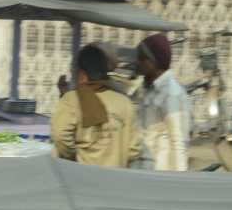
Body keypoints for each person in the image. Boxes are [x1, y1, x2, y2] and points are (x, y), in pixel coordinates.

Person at [50, 45, 139, 168]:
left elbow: (60, 135)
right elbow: (134, 151)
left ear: (81, 74)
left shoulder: (72, 99)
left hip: (82, 179)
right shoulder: (125, 103)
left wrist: (70, 157)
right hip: (116, 180)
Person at [133, 33, 190, 171]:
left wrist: (177, 183)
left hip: (159, 175)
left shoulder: (172, 93)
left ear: (155, 61)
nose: (137, 61)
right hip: (143, 171)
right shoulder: (150, 90)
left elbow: (179, 143)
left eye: (142, 57)